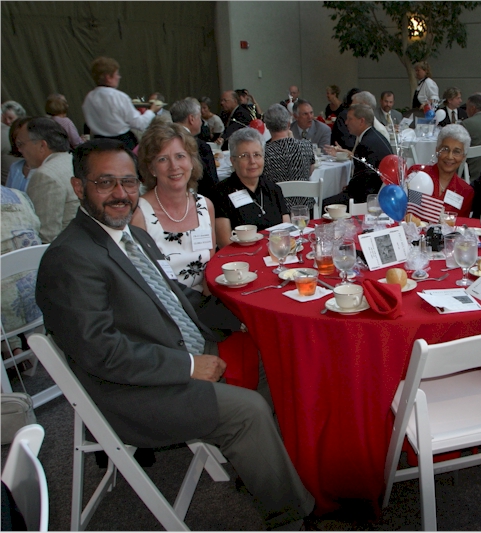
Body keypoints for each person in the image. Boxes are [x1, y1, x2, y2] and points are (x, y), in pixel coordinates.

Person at [35, 139, 314, 528]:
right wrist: (186, 366)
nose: (121, 194)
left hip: (173, 345)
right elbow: (102, 352)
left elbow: (175, 295)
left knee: (273, 349)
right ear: (79, 187)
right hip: (134, 390)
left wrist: (244, 316)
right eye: (105, 183)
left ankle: (263, 465)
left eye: (129, 183)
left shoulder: (130, 236)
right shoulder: (70, 259)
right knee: (247, 412)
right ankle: (292, 514)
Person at [131, 123, 216, 293]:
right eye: (162, 159)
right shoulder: (139, 214)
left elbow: (210, 271)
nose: (174, 166)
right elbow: (140, 280)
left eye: (180, 156)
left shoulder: (205, 206)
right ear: (151, 168)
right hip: (166, 309)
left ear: (191, 162)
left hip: (205, 304)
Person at [213, 128, 290, 248]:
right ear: (233, 161)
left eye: (257, 155)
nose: (252, 161)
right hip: (241, 260)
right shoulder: (220, 193)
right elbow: (225, 243)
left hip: (275, 255)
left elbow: (287, 232)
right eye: (244, 156)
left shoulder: (274, 190)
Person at [17, 117, 78, 243]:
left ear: (42, 145)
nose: (19, 150)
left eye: (21, 144)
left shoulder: (45, 175)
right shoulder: (74, 161)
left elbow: (44, 235)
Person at [82, 57, 161, 150]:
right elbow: (140, 124)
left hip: (99, 146)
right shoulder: (119, 97)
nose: (119, 77)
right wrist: (152, 111)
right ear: (108, 77)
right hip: (121, 145)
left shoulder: (89, 98)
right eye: (116, 74)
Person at [323, 104, 392, 207]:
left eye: (350, 119)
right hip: (380, 192)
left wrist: (348, 189)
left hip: (367, 198)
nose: (346, 123)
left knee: (322, 204)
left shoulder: (365, 144)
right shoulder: (377, 136)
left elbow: (362, 182)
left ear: (361, 121)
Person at [1, 185, 42, 355]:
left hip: (4, 319)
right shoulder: (18, 196)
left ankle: (11, 347)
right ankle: (14, 346)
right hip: (39, 300)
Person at [261, 104, 315, 209]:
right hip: (305, 209)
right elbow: (309, 171)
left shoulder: (262, 153)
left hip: (276, 210)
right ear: (289, 124)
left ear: (267, 126)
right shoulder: (306, 146)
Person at [170, 98, 219, 200]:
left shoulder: (160, 141)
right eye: (200, 117)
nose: (201, 122)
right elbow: (212, 187)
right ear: (191, 119)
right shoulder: (201, 147)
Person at [428, 124, 474, 218]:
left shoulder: (465, 191)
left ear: (463, 157)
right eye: (445, 149)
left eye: (456, 152)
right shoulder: (418, 174)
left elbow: (460, 226)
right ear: (437, 150)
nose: (449, 157)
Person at [5, 118, 32, 193]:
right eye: (17, 143)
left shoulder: (46, 168)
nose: (19, 148)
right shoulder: (15, 167)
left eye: (23, 142)